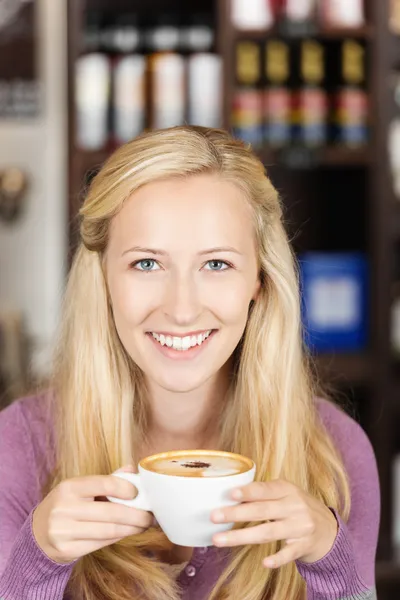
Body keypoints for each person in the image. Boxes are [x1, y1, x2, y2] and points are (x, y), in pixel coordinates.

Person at [0, 126, 379, 600]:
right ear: (103, 278)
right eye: (147, 264)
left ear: (258, 281)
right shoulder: (18, 446)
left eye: (216, 264)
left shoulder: (335, 455)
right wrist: (37, 560)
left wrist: (330, 560)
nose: (181, 309)